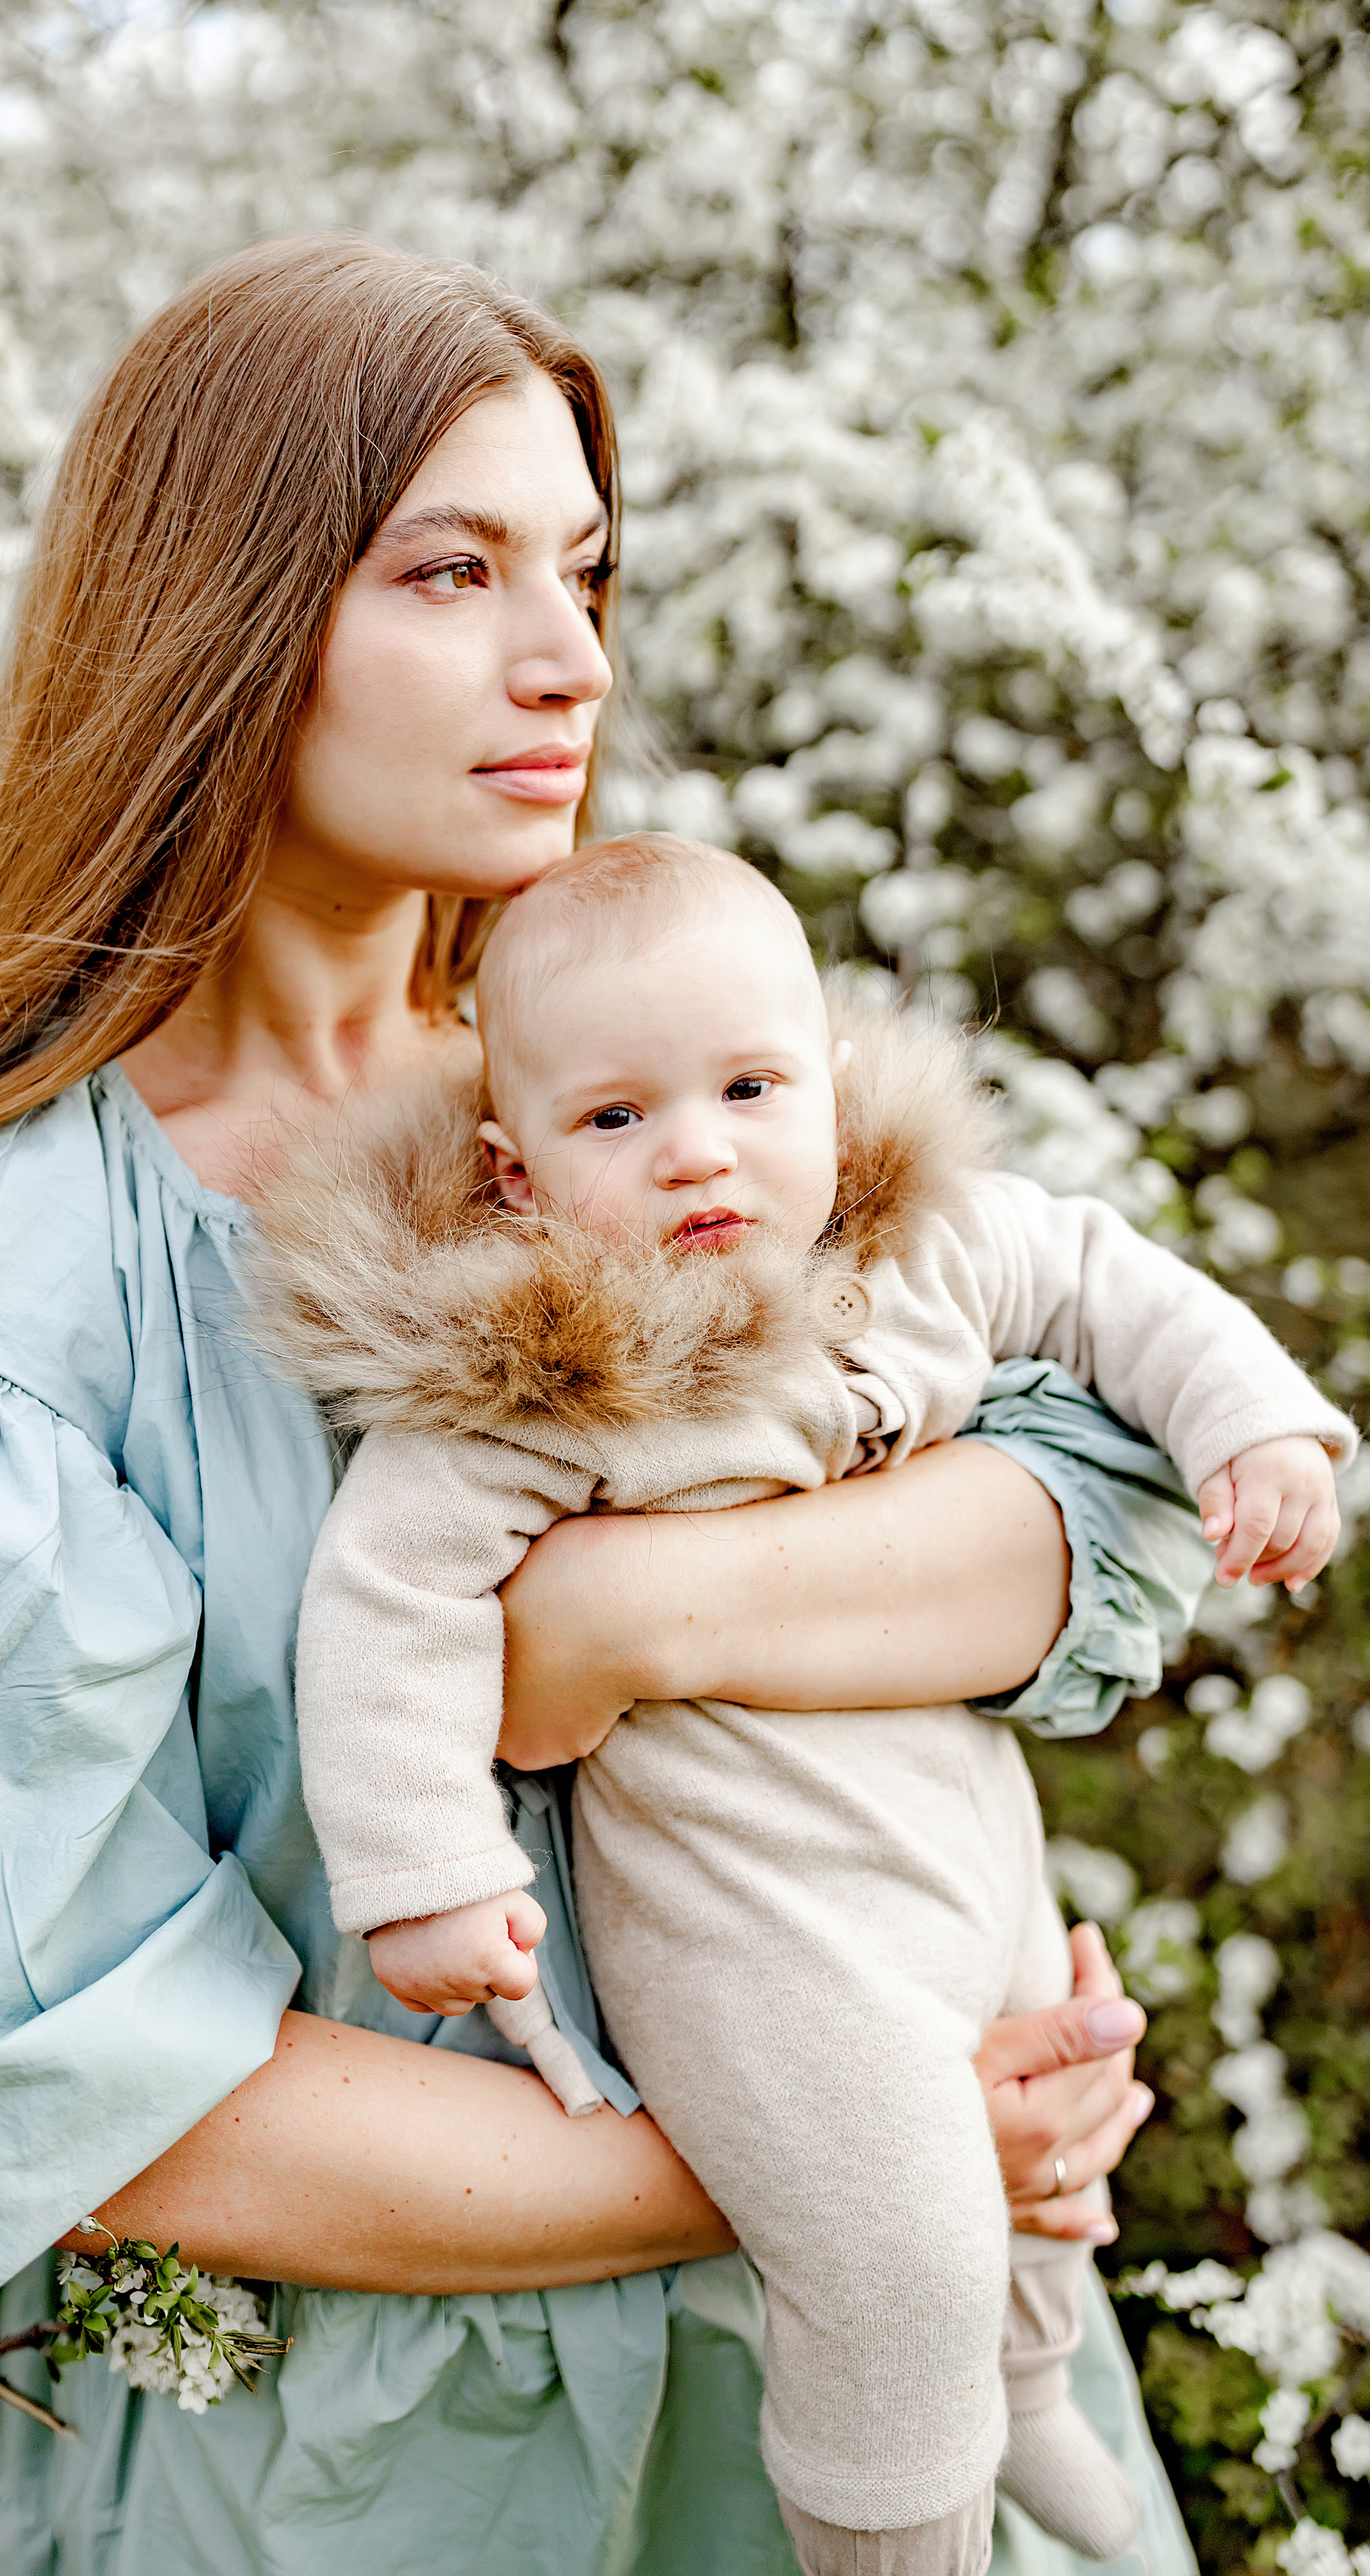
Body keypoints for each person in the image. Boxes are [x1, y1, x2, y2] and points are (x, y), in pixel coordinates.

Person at [0, 235, 1214, 2576]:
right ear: (228, 620)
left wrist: (631, 1614)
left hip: (896, 2381)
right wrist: (862, 2148)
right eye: (450, 571)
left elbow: (1113, 1503)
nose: (569, 659)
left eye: (583, 568)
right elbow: (61, 2067)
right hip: (360, 2484)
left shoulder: (640, 1098)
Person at [251, 830, 1351, 2576]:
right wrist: (426, 1871)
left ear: (828, 1094)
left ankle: (1040, 2392)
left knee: (1046, 2135)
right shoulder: (534, 1381)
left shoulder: (922, 1252)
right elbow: (387, 1601)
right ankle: (893, 2541)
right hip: (755, 1935)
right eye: (613, 1120)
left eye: (748, 1087)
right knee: (894, 2256)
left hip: (958, 1845)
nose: (696, 1150)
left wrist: (1255, 1426)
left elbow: (1104, 1281)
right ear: (514, 1173)